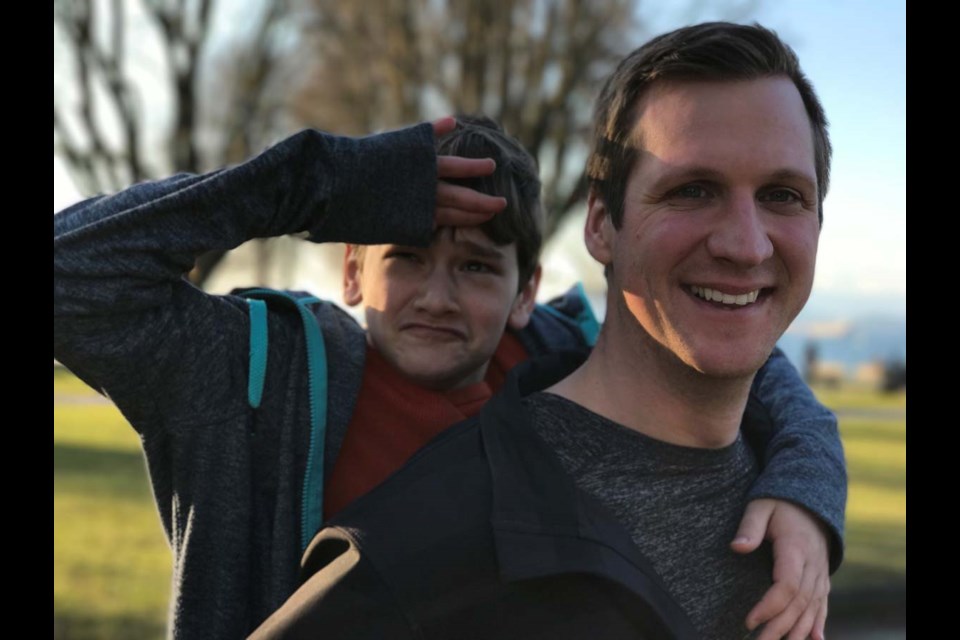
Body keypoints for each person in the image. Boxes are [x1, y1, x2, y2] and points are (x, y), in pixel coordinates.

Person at [54, 113, 841, 639]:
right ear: (354, 271)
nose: (436, 296)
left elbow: (752, 358)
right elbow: (70, 274)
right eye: (406, 258)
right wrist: (314, 182)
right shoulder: (252, 375)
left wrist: (805, 485)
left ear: (526, 291)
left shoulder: (569, 360)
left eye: (474, 266)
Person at [250, 23, 845, 640]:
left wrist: (813, 489)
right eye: (692, 190)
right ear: (599, 225)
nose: (746, 246)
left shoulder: (793, 515)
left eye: (782, 195)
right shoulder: (419, 552)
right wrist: (318, 179)